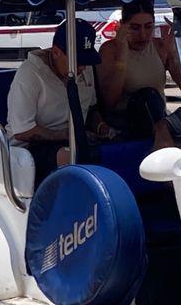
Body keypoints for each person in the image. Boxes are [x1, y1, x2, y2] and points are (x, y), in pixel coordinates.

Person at [6, 19, 112, 186]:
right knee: (69, 156)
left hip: (75, 138)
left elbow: (90, 108)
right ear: (56, 52)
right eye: (77, 61)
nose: (82, 67)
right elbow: (22, 131)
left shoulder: (85, 68)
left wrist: (102, 128)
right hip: (27, 149)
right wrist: (65, 135)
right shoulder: (30, 74)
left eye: (85, 61)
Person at [97, 0, 181, 150]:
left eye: (148, 27)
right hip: (123, 124)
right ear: (122, 26)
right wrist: (122, 56)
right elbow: (109, 101)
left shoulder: (158, 45)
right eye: (135, 28)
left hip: (157, 119)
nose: (143, 35)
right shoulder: (110, 50)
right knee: (146, 97)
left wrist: (173, 54)